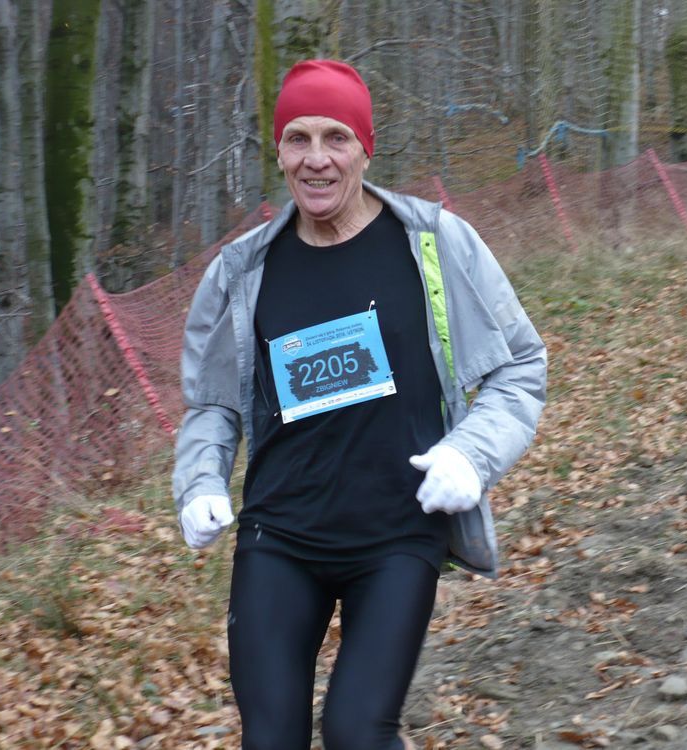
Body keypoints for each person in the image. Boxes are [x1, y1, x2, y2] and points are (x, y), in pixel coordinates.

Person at [172, 59, 546, 750]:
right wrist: (199, 482)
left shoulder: (434, 244)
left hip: (397, 532)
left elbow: (520, 368)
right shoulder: (241, 270)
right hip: (281, 533)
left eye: (336, 137)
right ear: (278, 152)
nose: (316, 159)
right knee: (270, 739)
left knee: (356, 733)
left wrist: (471, 454)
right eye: (298, 138)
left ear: (366, 148)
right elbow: (213, 405)